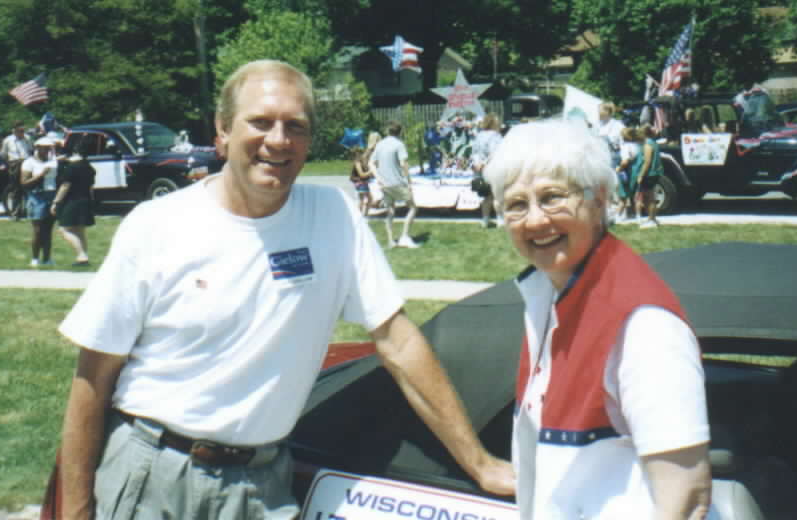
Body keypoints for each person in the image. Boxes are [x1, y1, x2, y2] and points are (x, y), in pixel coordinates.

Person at [57, 60, 513, 520]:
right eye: (260, 122)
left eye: (295, 126)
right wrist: (75, 512)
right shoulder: (156, 226)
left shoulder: (334, 216)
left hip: (263, 483)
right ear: (223, 130)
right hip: (154, 475)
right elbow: (92, 380)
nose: (278, 140)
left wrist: (479, 463)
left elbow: (398, 342)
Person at [483, 119, 713, 520]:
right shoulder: (546, 296)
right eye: (517, 204)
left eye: (553, 197)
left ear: (600, 199)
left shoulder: (642, 324)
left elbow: (687, 496)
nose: (535, 221)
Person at [370, 120, 420, 248]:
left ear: (388, 131)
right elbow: (404, 164)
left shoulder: (380, 144)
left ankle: (391, 240)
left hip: (384, 184)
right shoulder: (399, 144)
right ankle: (404, 236)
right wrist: (409, 181)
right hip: (397, 182)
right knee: (413, 207)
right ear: (400, 132)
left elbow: (371, 164)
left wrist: (378, 178)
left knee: (390, 211)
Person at [51, 141, 96, 266]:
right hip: (85, 200)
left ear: (76, 152)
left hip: (72, 201)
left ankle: (81, 255)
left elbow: (65, 186)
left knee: (64, 229)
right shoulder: (90, 168)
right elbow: (91, 187)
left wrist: (56, 202)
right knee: (80, 230)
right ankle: (83, 258)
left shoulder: (72, 167)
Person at [20, 136, 58, 266]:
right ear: (37, 148)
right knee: (37, 229)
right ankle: (35, 258)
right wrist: (41, 175)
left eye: (49, 148)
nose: (47, 151)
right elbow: (24, 183)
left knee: (48, 228)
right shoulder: (29, 163)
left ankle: (47, 258)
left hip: (51, 194)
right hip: (37, 196)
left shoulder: (53, 161)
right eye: (45, 149)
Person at [470, 113, 503, 228]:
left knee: (486, 196)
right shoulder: (496, 136)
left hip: (479, 169)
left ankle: (485, 220)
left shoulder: (479, 135)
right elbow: (494, 153)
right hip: (491, 168)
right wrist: (484, 164)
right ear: (494, 123)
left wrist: (477, 164)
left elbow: (474, 153)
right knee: (497, 195)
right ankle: (500, 220)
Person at [631, 124, 664, 229]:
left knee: (649, 198)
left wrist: (641, 175)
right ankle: (652, 218)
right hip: (655, 173)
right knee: (650, 197)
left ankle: (651, 220)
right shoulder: (654, 143)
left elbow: (647, 162)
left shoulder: (647, 145)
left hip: (649, 174)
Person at [1, 122, 32, 219]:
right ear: (14, 130)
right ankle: (15, 213)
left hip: (27, 163)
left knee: (28, 187)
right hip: (14, 163)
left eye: (23, 131)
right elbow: (4, 154)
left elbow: (32, 150)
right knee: (15, 189)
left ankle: (28, 211)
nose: (22, 133)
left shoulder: (28, 139)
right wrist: (10, 164)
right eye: (20, 131)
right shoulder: (8, 140)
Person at [615, 126, 641, 222]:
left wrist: (619, 168)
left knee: (623, 196)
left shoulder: (626, 147)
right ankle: (637, 215)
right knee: (636, 195)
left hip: (626, 173)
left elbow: (625, 161)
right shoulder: (638, 146)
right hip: (637, 171)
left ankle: (618, 216)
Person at [597, 102, 625, 169]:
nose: (598, 113)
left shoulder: (619, 126)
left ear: (607, 112)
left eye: (600, 111)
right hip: (598, 158)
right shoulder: (598, 124)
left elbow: (623, 145)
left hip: (612, 159)